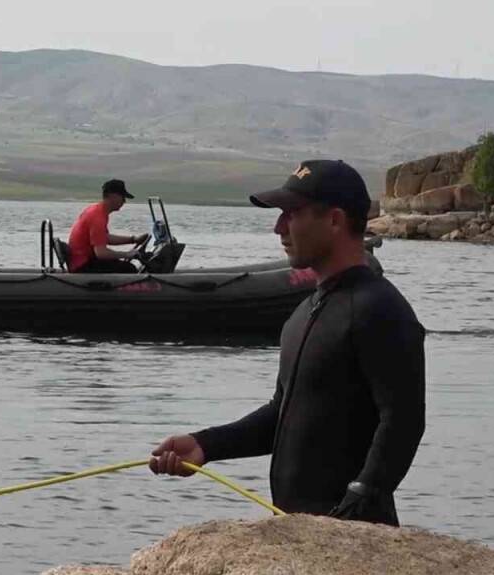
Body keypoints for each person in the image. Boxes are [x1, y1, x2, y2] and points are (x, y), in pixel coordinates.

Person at [148, 159, 426, 526]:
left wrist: (361, 498)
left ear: (334, 220)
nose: (278, 227)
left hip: (354, 539)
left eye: (291, 214)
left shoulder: (380, 309)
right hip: (296, 532)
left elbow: (403, 419)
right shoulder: (303, 314)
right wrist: (205, 445)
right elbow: (284, 415)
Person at [67, 179, 150, 273]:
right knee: (129, 269)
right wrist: (127, 254)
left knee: (121, 264)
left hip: (83, 260)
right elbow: (101, 253)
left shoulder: (97, 211)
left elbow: (104, 238)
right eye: (122, 197)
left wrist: (133, 239)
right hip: (82, 265)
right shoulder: (97, 217)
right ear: (113, 196)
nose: (124, 201)